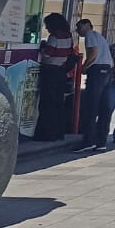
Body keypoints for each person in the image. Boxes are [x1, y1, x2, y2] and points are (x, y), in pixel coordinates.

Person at [33, 13, 79, 141]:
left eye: (47, 25)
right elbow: (70, 52)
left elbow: (47, 54)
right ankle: (58, 133)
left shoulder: (54, 37)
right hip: (61, 72)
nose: (46, 28)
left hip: (50, 72)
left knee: (47, 103)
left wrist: (42, 48)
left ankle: (46, 134)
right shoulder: (68, 37)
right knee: (58, 103)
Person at [74, 19, 113, 152]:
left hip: (97, 71)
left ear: (87, 26)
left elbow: (94, 53)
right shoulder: (99, 36)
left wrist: (84, 67)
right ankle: (101, 141)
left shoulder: (90, 35)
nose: (77, 30)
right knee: (104, 108)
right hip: (107, 70)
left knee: (91, 107)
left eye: (79, 27)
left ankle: (88, 141)